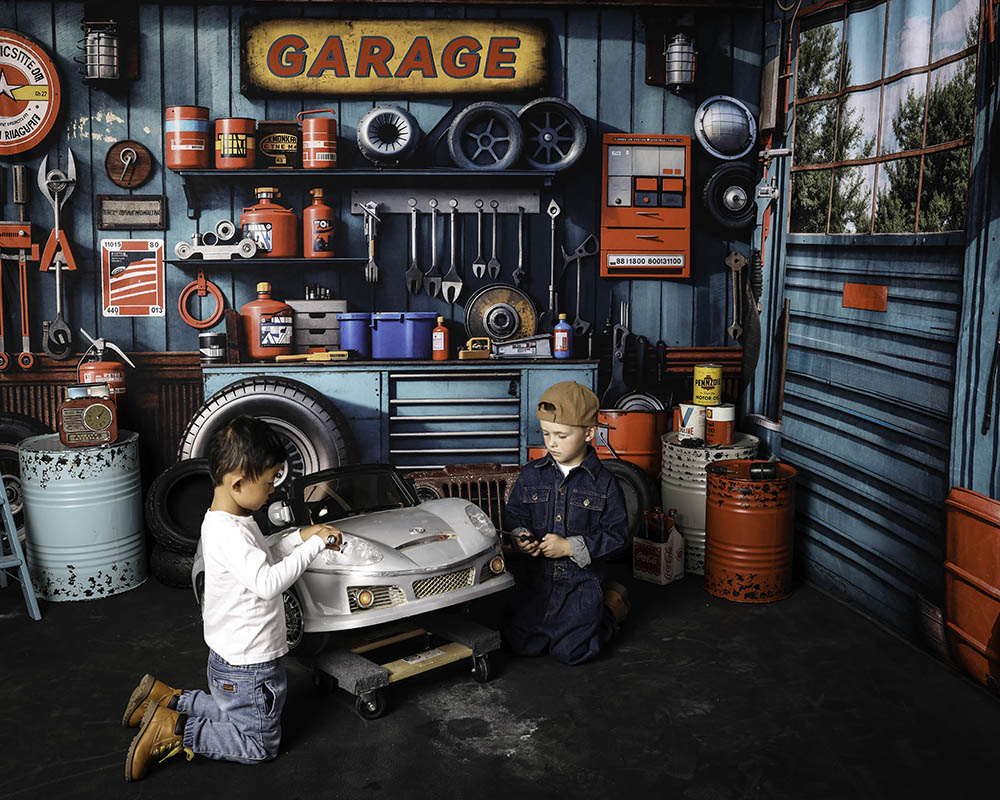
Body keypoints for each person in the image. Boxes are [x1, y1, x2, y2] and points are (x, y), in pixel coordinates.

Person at [122, 416, 343, 782]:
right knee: (258, 744)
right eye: (269, 481)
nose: (273, 489)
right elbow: (268, 582)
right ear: (238, 482)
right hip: (250, 666)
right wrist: (315, 546)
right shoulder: (232, 532)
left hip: (232, 660)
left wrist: (300, 537)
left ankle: (167, 699)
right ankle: (174, 728)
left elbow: (262, 558)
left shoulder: (229, 520)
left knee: (235, 713)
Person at [502, 381, 630, 665]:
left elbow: (618, 535)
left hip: (582, 584)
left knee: (573, 652)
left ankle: (612, 607)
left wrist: (570, 547)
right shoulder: (531, 475)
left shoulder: (605, 484)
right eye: (546, 433)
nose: (551, 443)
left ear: (589, 433)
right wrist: (520, 535)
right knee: (519, 645)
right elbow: (515, 514)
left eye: (561, 435)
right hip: (537, 580)